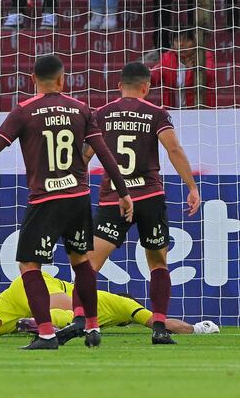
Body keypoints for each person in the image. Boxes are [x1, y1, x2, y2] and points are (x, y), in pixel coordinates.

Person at [0, 54, 133, 350]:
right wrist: (123, 192)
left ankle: (46, 333)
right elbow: (104, 152)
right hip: (78, 197)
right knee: (81, 261)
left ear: (32, 80)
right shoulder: (81, 109)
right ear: (62, 80)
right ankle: (92, 326)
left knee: (29, 264)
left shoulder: (23, 111)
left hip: (46, 198)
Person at [65, 61, 201, 345]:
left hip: (114, 197)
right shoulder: (156, 114)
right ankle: (160, 327)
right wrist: (191, 186)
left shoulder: (100, 114)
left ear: (119, 86)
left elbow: (85, 155)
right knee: (158, 262)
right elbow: (173, 148)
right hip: (149, 197)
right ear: (146, 87)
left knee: (89, 264)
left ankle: (81, 319)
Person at [0, 272, 220, 338]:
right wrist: (198, 328)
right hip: (40, 293)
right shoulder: (120, 304)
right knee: (69, 310)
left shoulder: (111, 299)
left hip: (21, 292)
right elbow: (158, 323)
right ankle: (43, 325)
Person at [151, 29, 217, 109]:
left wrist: (194, 68)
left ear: (195, 42)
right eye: (177, 40)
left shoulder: (204, 55)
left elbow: (210, 76)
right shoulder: (168, 57)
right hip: (172, 110)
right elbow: (154, 77)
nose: (181, 44)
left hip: (199, 110)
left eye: (187, 40)